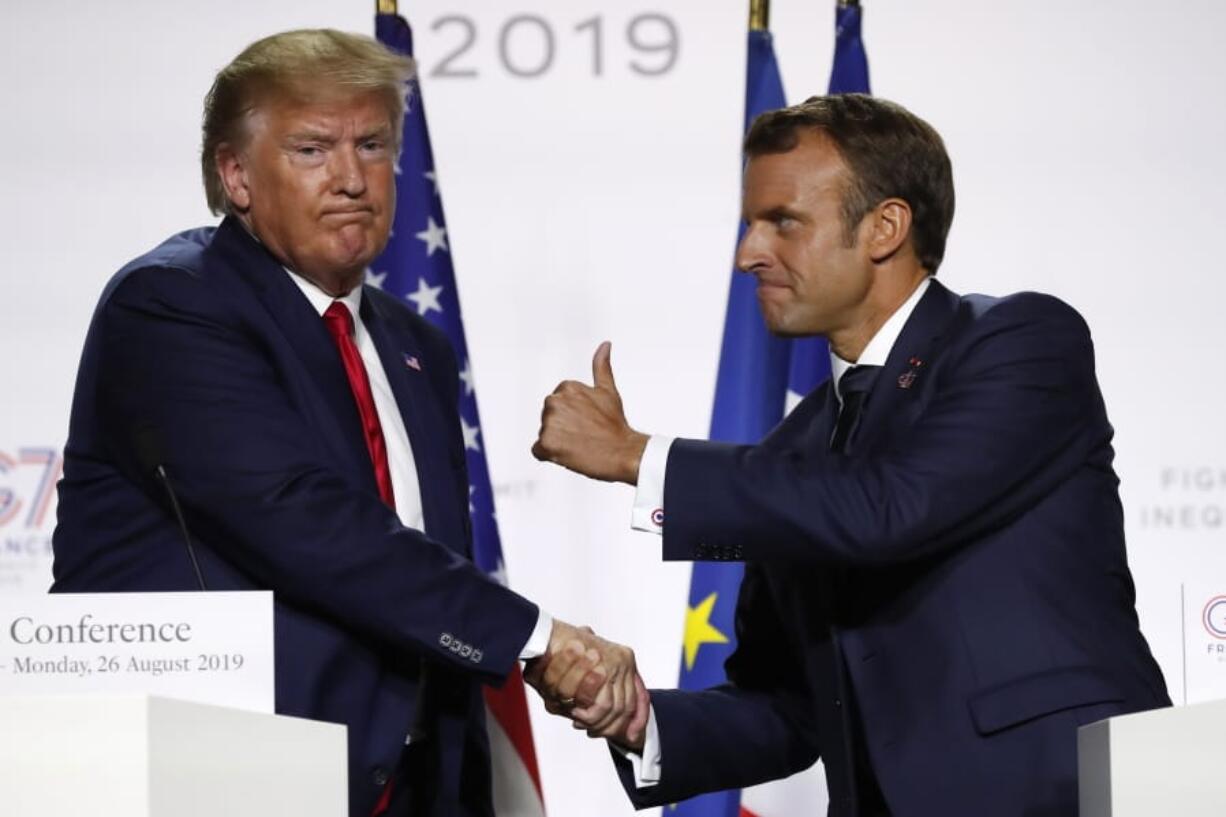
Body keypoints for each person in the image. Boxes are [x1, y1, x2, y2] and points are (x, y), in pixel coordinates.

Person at [51, 29, 641, 817]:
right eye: (311, 149)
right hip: (226, 774)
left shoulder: (413, 345)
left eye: (372, 144)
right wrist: (539, 638)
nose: (351, 177)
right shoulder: (171, 307)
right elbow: (304, 519)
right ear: (236, 175)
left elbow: (428, 559)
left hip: (418, 779)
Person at [531, 94, 1170, 816]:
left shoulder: (1021, 342)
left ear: (886, 228)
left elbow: (890, 508)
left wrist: (638, 457)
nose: (748, 254)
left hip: (1067, 796)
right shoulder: (792, 449)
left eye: (783, 222)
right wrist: (637, 717)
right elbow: (787, 704)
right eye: (749, 223)